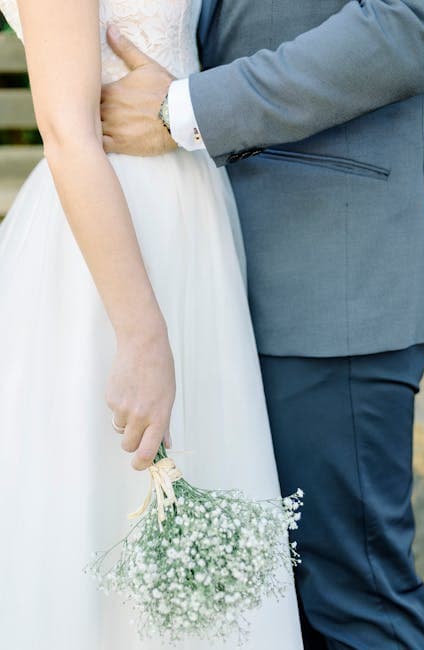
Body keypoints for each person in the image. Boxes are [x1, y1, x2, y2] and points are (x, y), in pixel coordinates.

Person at [100, 1, 424, 648]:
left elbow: (411, 20)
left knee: (352, 604)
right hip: (190, 281)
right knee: (252, 616)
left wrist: (188, 110)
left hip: (323, 273)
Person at [0, 1, 303, 649]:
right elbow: (67, 132)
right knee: (103, 509)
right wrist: (141, 337)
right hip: (116, 244)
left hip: (192, 216)